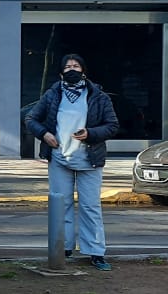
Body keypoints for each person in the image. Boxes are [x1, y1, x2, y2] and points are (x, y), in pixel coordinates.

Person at [24, 54, 120, 271]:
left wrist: (91, 133)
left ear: (83, 71)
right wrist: (45, 134)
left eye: (76, 66)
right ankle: (63, 249)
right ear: (61, 73)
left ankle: (95, 252)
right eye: (67, 67)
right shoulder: (52, 94)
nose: (72, 69)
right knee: (61, 205)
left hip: (90, 160)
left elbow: (112, 125)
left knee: (90, 206)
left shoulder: (99, 96)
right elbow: (30, 119)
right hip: (59, 159)